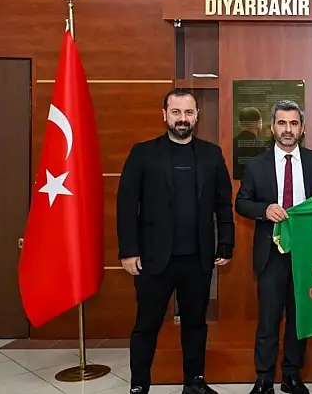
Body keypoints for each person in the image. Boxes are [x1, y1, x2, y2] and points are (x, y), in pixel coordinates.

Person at [116, 88, 235, 394]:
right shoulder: (143, 153)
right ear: (165, 115)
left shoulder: (211, 154)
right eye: (176, 112)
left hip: (197, 259)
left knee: (195, 325)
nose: (183, 119)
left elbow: (223, 203)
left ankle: (194, 382)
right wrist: (128, 251)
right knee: (146, 325)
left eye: (189, 112)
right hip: (153, 259)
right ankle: (139, 385)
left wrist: (226, 242)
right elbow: (126, 205)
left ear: (197, 116)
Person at [234, 100, 312, 394]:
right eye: (282, 123)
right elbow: (241, 202)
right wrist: (264, 210)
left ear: (302, 129)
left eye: (293, 123)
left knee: (299, 319)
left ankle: (292, 374)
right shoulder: (257, 165)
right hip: (271, 253)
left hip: (307, 253)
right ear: (271, 128)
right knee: (269, 319)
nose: (287, 129)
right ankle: (264, 378)